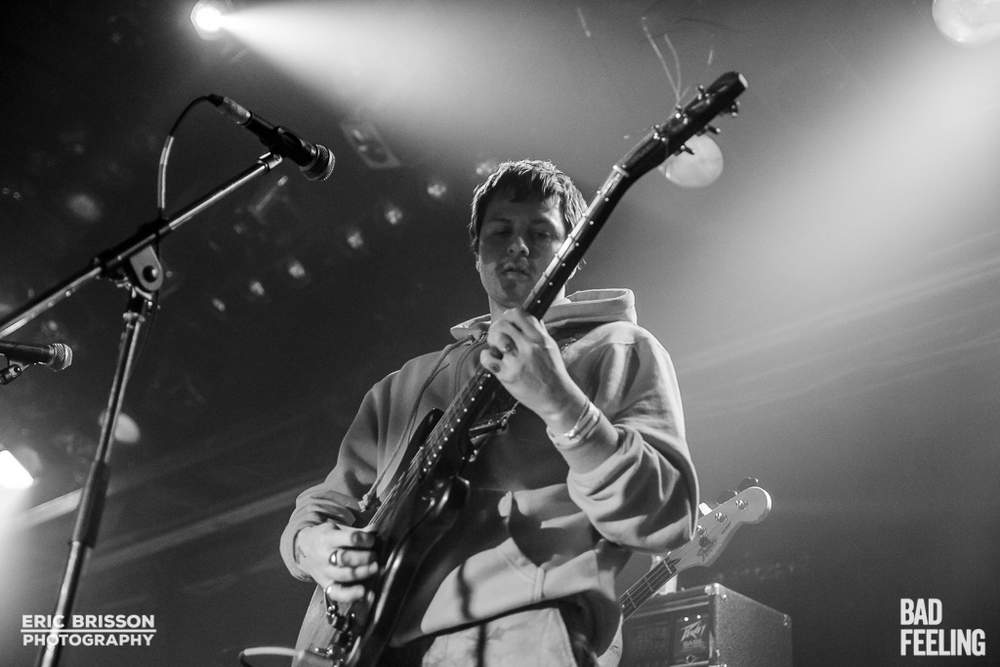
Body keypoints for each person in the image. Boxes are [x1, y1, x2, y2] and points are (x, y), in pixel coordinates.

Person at [279, 159, 698, 666]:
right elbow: (328, 502)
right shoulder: (404, 383)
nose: (518, 246)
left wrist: (560, 401)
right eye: (501, 231)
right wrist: (309, 547)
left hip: (517, 636)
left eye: (541, 232)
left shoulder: (619, 348)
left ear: (572, 250)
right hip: (360, 647)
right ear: (477, 250)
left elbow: (667, 516)